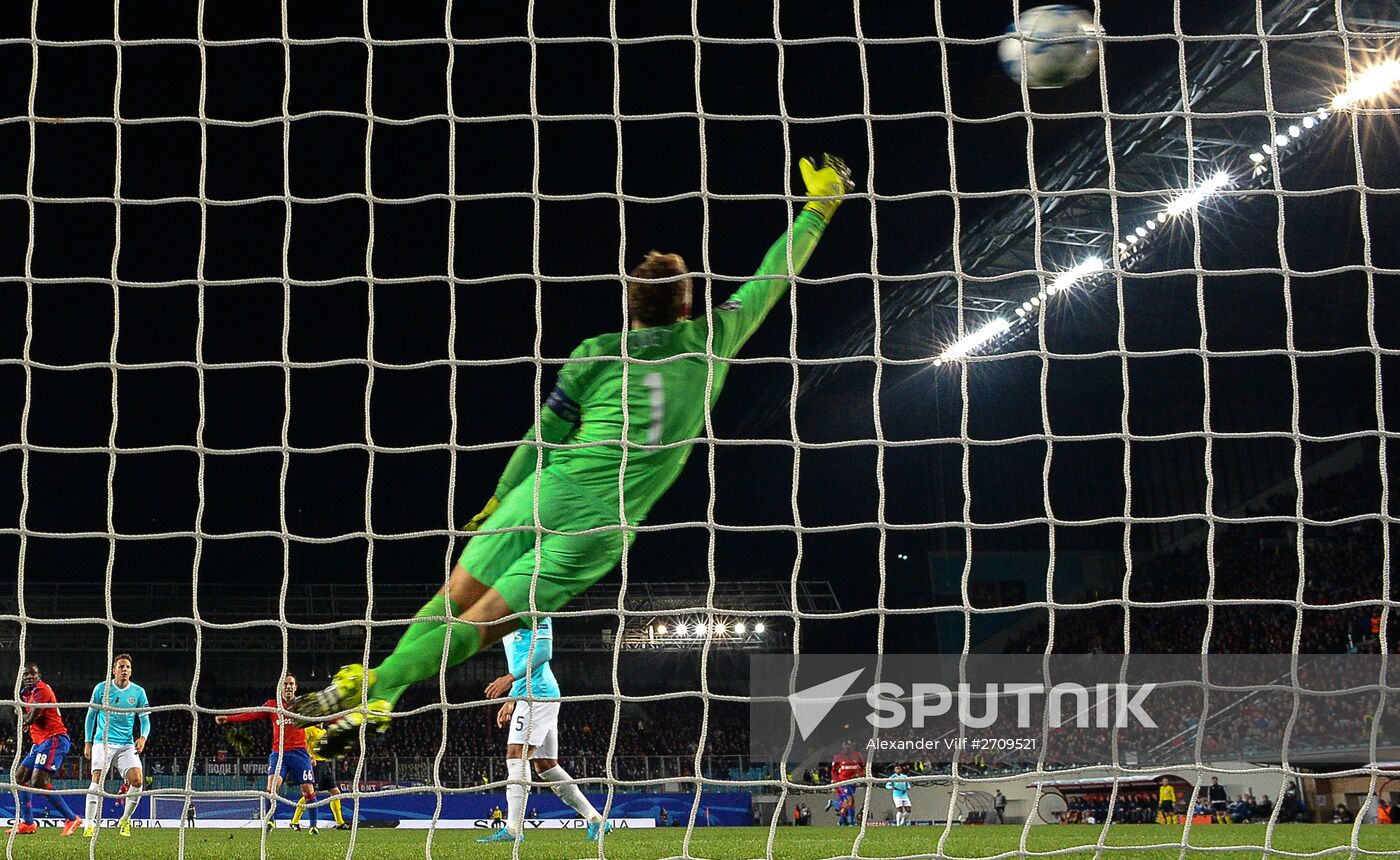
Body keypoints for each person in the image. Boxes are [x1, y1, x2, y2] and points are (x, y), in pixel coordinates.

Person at [293, 155, 857, 752]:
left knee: (449, 599)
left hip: (544, 491)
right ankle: (382, 694)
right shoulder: (710, 341)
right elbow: (771, 278)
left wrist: (496, 500)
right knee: (480, 623)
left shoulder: (596, 351)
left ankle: (376, 681)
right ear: (686, 307)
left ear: (632, 309)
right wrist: (818, 210)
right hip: (600, 522)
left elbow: (542, 437)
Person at [476, 617, 612, 844]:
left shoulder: (536, 612)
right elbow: (520, 660)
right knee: (546, 766)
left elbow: (544, 652)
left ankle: (513, 829)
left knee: (515, 754)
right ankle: (595, 819)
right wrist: (512, 699)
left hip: (539, 694)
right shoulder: (507, 619)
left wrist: (509, 680)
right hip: (532, 695)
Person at [216, 675, 317, 833]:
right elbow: (252, 714)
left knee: (308, 790)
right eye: (285, 684)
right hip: (279, 753)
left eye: (291, 684)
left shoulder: (302, 704)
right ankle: (270, 821)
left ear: (296, 687)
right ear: (280, 688)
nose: (288, 687)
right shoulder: (273, 705)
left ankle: (313, 826)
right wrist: (229, 718)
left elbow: (323, 714)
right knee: (271, 787)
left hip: (299, 753)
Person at [6, 663, 83, 836]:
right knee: (19, 778)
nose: (29, 677)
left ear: (39, 676)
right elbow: (29, 719)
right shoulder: (25, 694)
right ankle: (28, 823)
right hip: (40, 744)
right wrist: (24, 718)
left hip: (54, 739)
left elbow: (32, 717)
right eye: (26, 675)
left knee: (38, 782)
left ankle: (72, 818)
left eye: (32, 674)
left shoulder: (42, 690)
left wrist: (21, 715)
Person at [83, 654, 151, 839]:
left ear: (131, 670)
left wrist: (143, 737)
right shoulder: (101, 689)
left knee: (137, 781)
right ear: (114, 670)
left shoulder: (138, 692)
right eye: (121, 666)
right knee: (97, 779)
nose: (125, 670)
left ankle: (124, 820)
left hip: (126, 744)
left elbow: (145, 719)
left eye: (128, 667)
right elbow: (91, 717)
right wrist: (88, 742)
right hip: (102, 741)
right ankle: (89, 824)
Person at [289, 727, 349, 830]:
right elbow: (302, 743)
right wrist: (309, 758)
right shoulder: (309, 729)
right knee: (310, 794)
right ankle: (294, 821)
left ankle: (340, 823)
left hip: (324, 764)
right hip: (314, 764)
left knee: (335, 792)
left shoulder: (324, 731)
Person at [830, 738, 866, 826]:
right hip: (843, 782)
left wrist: (859, 774)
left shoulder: (857, 755)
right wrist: (836, 782)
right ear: (843, 746)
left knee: (847, 803)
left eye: (849, 746)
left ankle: (842, 821)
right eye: (846, 746)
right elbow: (833, 770)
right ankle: (852, 822)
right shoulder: (838, 757)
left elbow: (862, 767)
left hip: (853, 782)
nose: (847, 748)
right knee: (850, 800)